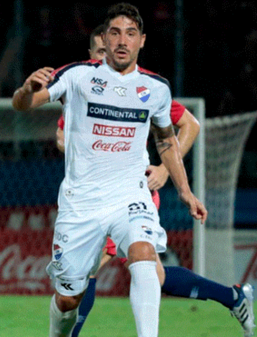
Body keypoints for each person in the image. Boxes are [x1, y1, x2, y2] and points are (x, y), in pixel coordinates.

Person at [13, 3, 208, 337]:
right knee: (68, 299)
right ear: (104, 37)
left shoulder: (156, 88)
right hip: (81, 204)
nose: (122, 40)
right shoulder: (76, 75)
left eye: (130, 33)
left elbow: (166, 141)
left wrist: (185, 191)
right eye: (115, 33)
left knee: (143, 254)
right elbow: (24, 105)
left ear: (142, 40)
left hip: (130, 196)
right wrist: (25, 90)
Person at [59, 24, 256, 337]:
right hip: (95, 190)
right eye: (99, 51)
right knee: (154, 274)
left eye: (108, 50)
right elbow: (61, 135)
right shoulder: (83, 87)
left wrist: (165, 170)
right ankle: (233, 298)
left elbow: (189, 124)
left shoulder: (142, 87)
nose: (104, 57)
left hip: (130, 192)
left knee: (90, 268)